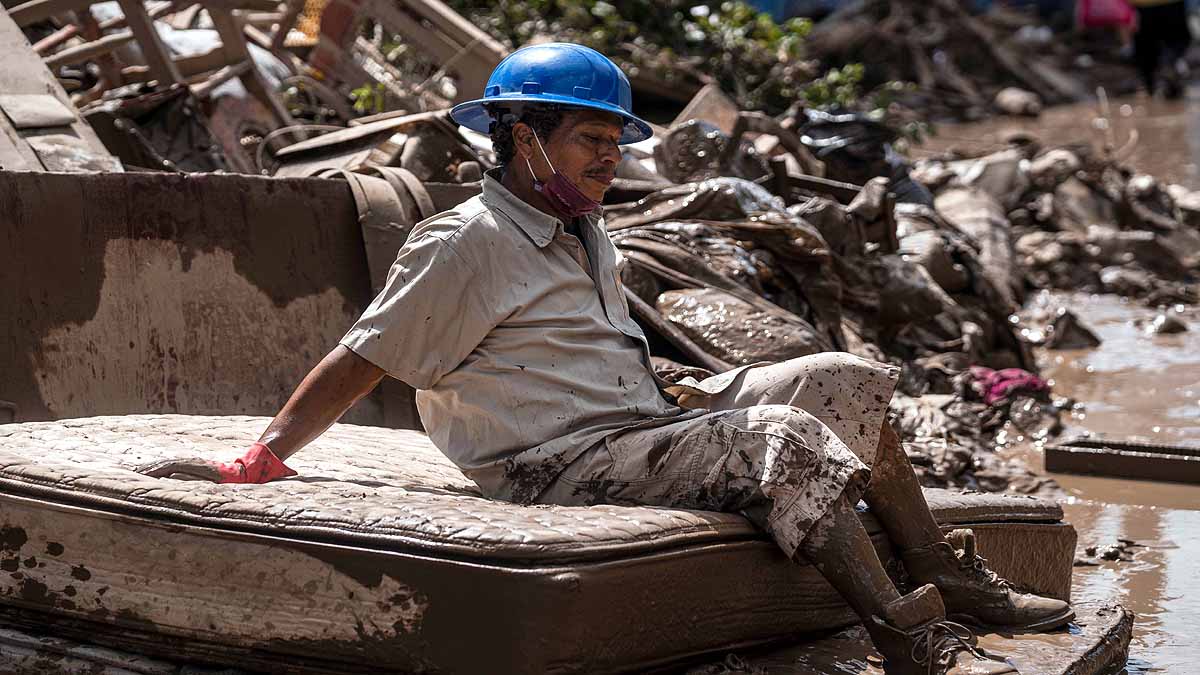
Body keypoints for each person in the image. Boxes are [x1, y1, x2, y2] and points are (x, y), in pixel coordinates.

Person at [140, 43, 1071, 674]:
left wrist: (681, 391)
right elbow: (363, 356)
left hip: (629, 425)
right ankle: (903, 632)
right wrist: (262, 456)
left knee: (846, 381)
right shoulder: (463, 241)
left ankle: (940, 570)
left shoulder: (582, 229)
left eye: (615, 140)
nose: (611, 158)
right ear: (522, 136)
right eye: (592, 139)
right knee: (784, 437)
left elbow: (592, 347)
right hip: (548, 464)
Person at [1130, 0, 1193, 97]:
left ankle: (1150, 86)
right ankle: (1168, 64)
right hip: (1171, 4)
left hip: (1142, 5)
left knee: (1146, 47)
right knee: (1176, 42)